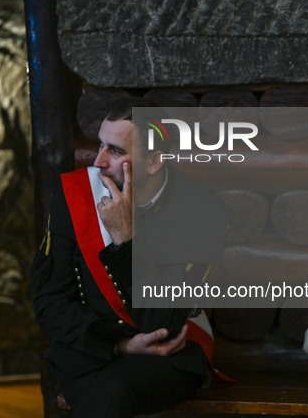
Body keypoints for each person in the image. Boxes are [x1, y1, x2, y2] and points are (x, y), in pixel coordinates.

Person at [31, 97, 232, 417]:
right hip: (91, 349)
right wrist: (119, 345)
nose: (97, 161)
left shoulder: (202, 212)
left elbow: (162, 325)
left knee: (106, 395)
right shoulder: (73, 193)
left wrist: (125, 239)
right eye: (100, 145)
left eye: (116, 151)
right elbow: (49, 300)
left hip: (169, 355)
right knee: (102, 393)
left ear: (154, 161)